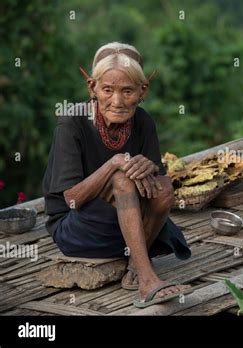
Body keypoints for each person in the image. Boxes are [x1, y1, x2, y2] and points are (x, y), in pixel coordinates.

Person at [42, 42, 191, 307]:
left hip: (128, 228)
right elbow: (71, 200)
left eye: (127, 91)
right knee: (121, 180)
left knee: (165, 186)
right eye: (107, 90)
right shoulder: (72, 122)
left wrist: (149, 168)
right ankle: (147, 282)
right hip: (77, 228)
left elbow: (156, 190)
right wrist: (113, 165)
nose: (117, 101)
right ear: (93, 88)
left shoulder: (143, 122)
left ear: (142, 91)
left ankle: (136, 263)